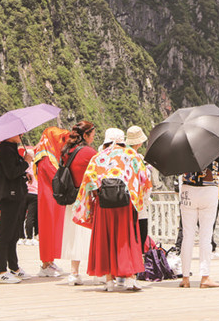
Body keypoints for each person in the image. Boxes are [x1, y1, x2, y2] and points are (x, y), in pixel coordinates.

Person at [74, 128, 151, 292]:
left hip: (104, 204)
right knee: (126, 238)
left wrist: (98, 194)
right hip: (124, 204)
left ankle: (109, 281)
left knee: (106, 239)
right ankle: (130, 278)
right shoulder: (131, 155)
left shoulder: (98, 157)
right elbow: (144, 180)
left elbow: (88, 182)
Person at [59, 121, 97, 286]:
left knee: (74, 235)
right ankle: (98, 273)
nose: (93, 137)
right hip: (86, 199)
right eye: (92, 134)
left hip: (71, 198)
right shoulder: (90, 152)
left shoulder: (66, 151)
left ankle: (74, 273)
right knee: (91, 236)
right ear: (86, 135)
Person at [0, 134, 30, 283]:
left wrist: (25, 173)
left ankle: (14, 267)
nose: (21, 135)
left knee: (13, 234)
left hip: (16, 195)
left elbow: (14, 171)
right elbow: (11, 173)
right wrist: (26, 162)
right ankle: (1, 271)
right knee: (5, 234)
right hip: (8, 197)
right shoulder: (5, 150)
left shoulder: (11, 149)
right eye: (18, 133)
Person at [179, 160, 219, 288]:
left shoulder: (184, 151)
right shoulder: (215, 150)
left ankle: (185, 278)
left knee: (187, 236)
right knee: (206, 236)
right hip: (209, 190)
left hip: (188, 189)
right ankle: (205, 277)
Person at [33, 126, 70, 277]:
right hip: (48, 199)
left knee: (52, 229)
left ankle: (50, 261)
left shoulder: (48, 155)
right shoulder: (46, 157)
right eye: (60, 139)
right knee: (48, 229)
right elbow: (55, 176)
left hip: (51, 198)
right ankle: (45, 263)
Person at [126, 125, 152, 252]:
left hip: (124, 202)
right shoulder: (138, 158)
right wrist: (146, 199)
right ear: (140, 142)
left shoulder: (122, 156)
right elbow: (146, 181)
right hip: (139, 203)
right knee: (141, 236)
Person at [22, 148, 38, 245]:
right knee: (31, 216)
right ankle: (30, 237)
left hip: (23, 192)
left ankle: (21, 237)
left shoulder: (22, 166)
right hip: (35, 193)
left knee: (21, 215)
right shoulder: (36, 166)